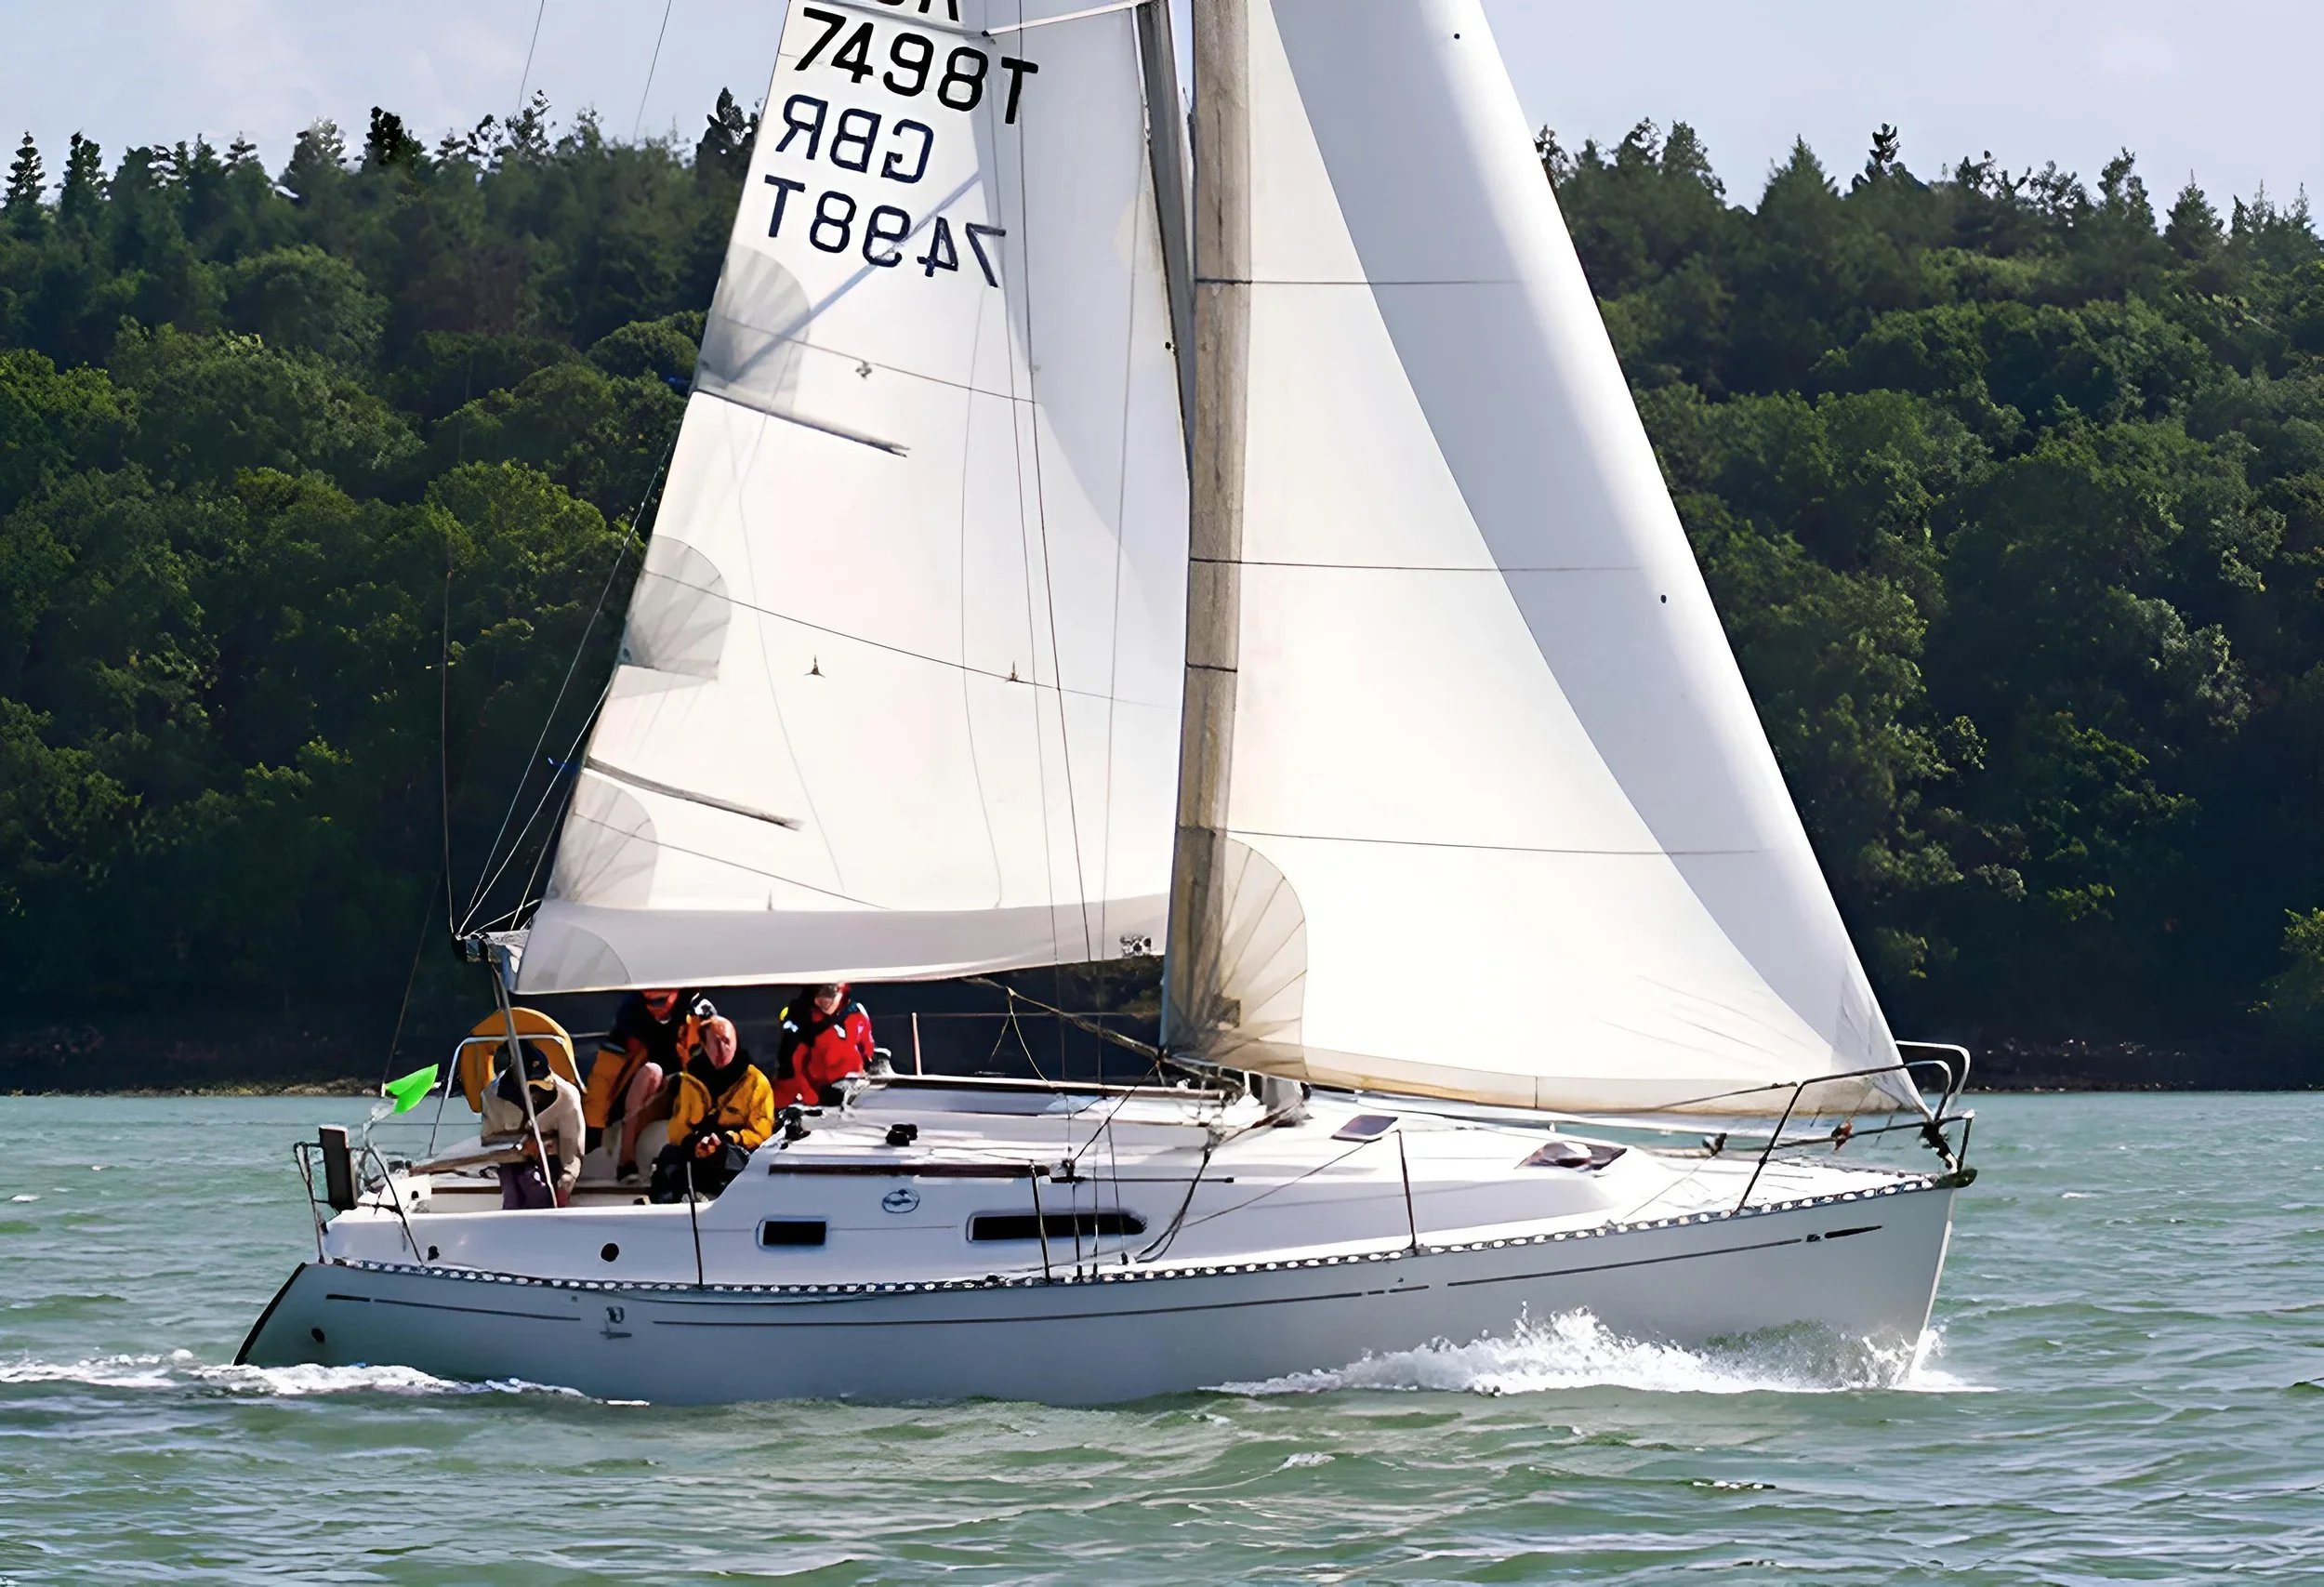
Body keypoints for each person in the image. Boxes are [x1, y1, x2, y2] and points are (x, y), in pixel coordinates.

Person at [583, 988, 708, 1184]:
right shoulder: (630, 1016)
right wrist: (594, 1127)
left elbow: (719, 1056)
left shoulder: (700, 1013)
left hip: (692, 1092)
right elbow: (604, 1074)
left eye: (660, 1000)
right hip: (647, 1097)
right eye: (648, 1001)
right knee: (651, 1072)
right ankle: (626, 1159)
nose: (653, 1007)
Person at [650, 1014, 774, 1203]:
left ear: (736, 1042)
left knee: (734, 1159)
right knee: (670, 1155)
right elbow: (678, 1125)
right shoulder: (690, 1079)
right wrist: (693, 1142)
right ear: (704, 1044)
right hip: (697, 1147)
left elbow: (762, 1132)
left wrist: (728, 1140)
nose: (722, 1048)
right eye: (715, 1042)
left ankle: (726, 1205)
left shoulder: (756, 1082)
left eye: (727, 1041)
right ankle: (667, 1207)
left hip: (733, 1148)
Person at [480, 1044, 586, 1209]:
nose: (537, 1091)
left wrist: (565, 1185)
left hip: (550, 1162)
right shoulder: (491, 1096)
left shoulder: (567, 1095)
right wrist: (520, 1147)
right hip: (510, 1163)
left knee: (539, 1192)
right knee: (513, 1197)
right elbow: (490, 1141)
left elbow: (572, 1146)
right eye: (532, 1086)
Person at [772, 983, 876, 1109]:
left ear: (841, 992)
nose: (823, 1000)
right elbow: (794, 1064)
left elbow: (867, 1046)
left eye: (830, 993)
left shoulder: (856, 1014)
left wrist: (869, 1066)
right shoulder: (806, 1021)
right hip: (818, 1097)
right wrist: (810, 1096)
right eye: (818, 994)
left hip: (854, 1092)